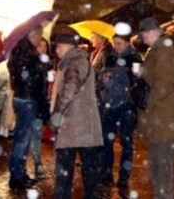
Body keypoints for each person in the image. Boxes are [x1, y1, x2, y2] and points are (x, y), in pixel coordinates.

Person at [50, 33, 103, 199]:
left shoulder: (72, 63)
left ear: (65, 46)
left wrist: (57, 113)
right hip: (85, 123)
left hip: (73, 123)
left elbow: (70, 88)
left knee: (64, 171)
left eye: (58, 47)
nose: (56, 51)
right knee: (89, 169)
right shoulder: (81, 60)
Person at [136, 17, 174, 199]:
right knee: (158, 168)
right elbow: (158, 78)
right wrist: (143, 73)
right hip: (160, 121)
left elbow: (164, 84)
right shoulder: (157, 50)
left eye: (145, 34)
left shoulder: (163, 50)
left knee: (162, 170)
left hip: (163, 120)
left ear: (155, 31)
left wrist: (148, 102)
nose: (144, 39)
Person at [98, 32, 142, 193]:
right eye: (115, 43)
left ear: (127, 43)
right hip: (109, 104)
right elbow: (101, 78)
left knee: (126, 142)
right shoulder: (109, 57)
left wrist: (134, 78)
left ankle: (124, 176)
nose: (116, 46)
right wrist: (104, 80)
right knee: (107, 142)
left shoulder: (134, 58)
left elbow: (138, 81)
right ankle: (106, 173)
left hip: (126, 106)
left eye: (120, 43)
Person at [7, 27, 48, 190]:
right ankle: (17, 176)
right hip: (28, 99)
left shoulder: (19, 51)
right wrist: (40, 69)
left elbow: (15, 74)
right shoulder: (28, 53)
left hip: (20, 97)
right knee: (22, 140)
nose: (40, 40)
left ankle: (19, 173)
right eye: (40, 36)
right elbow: (31, 77)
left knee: (21, 138)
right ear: (34, 35)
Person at [30, 37, 53, 179]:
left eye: (45, 46)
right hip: (34, 102)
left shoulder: (48, 63)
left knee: (39, 132)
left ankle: (38, 163)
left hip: (43, 102)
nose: (43, 48)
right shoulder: (32, 63)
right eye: (40, 45)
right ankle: (37, 163)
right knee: (35, 134)